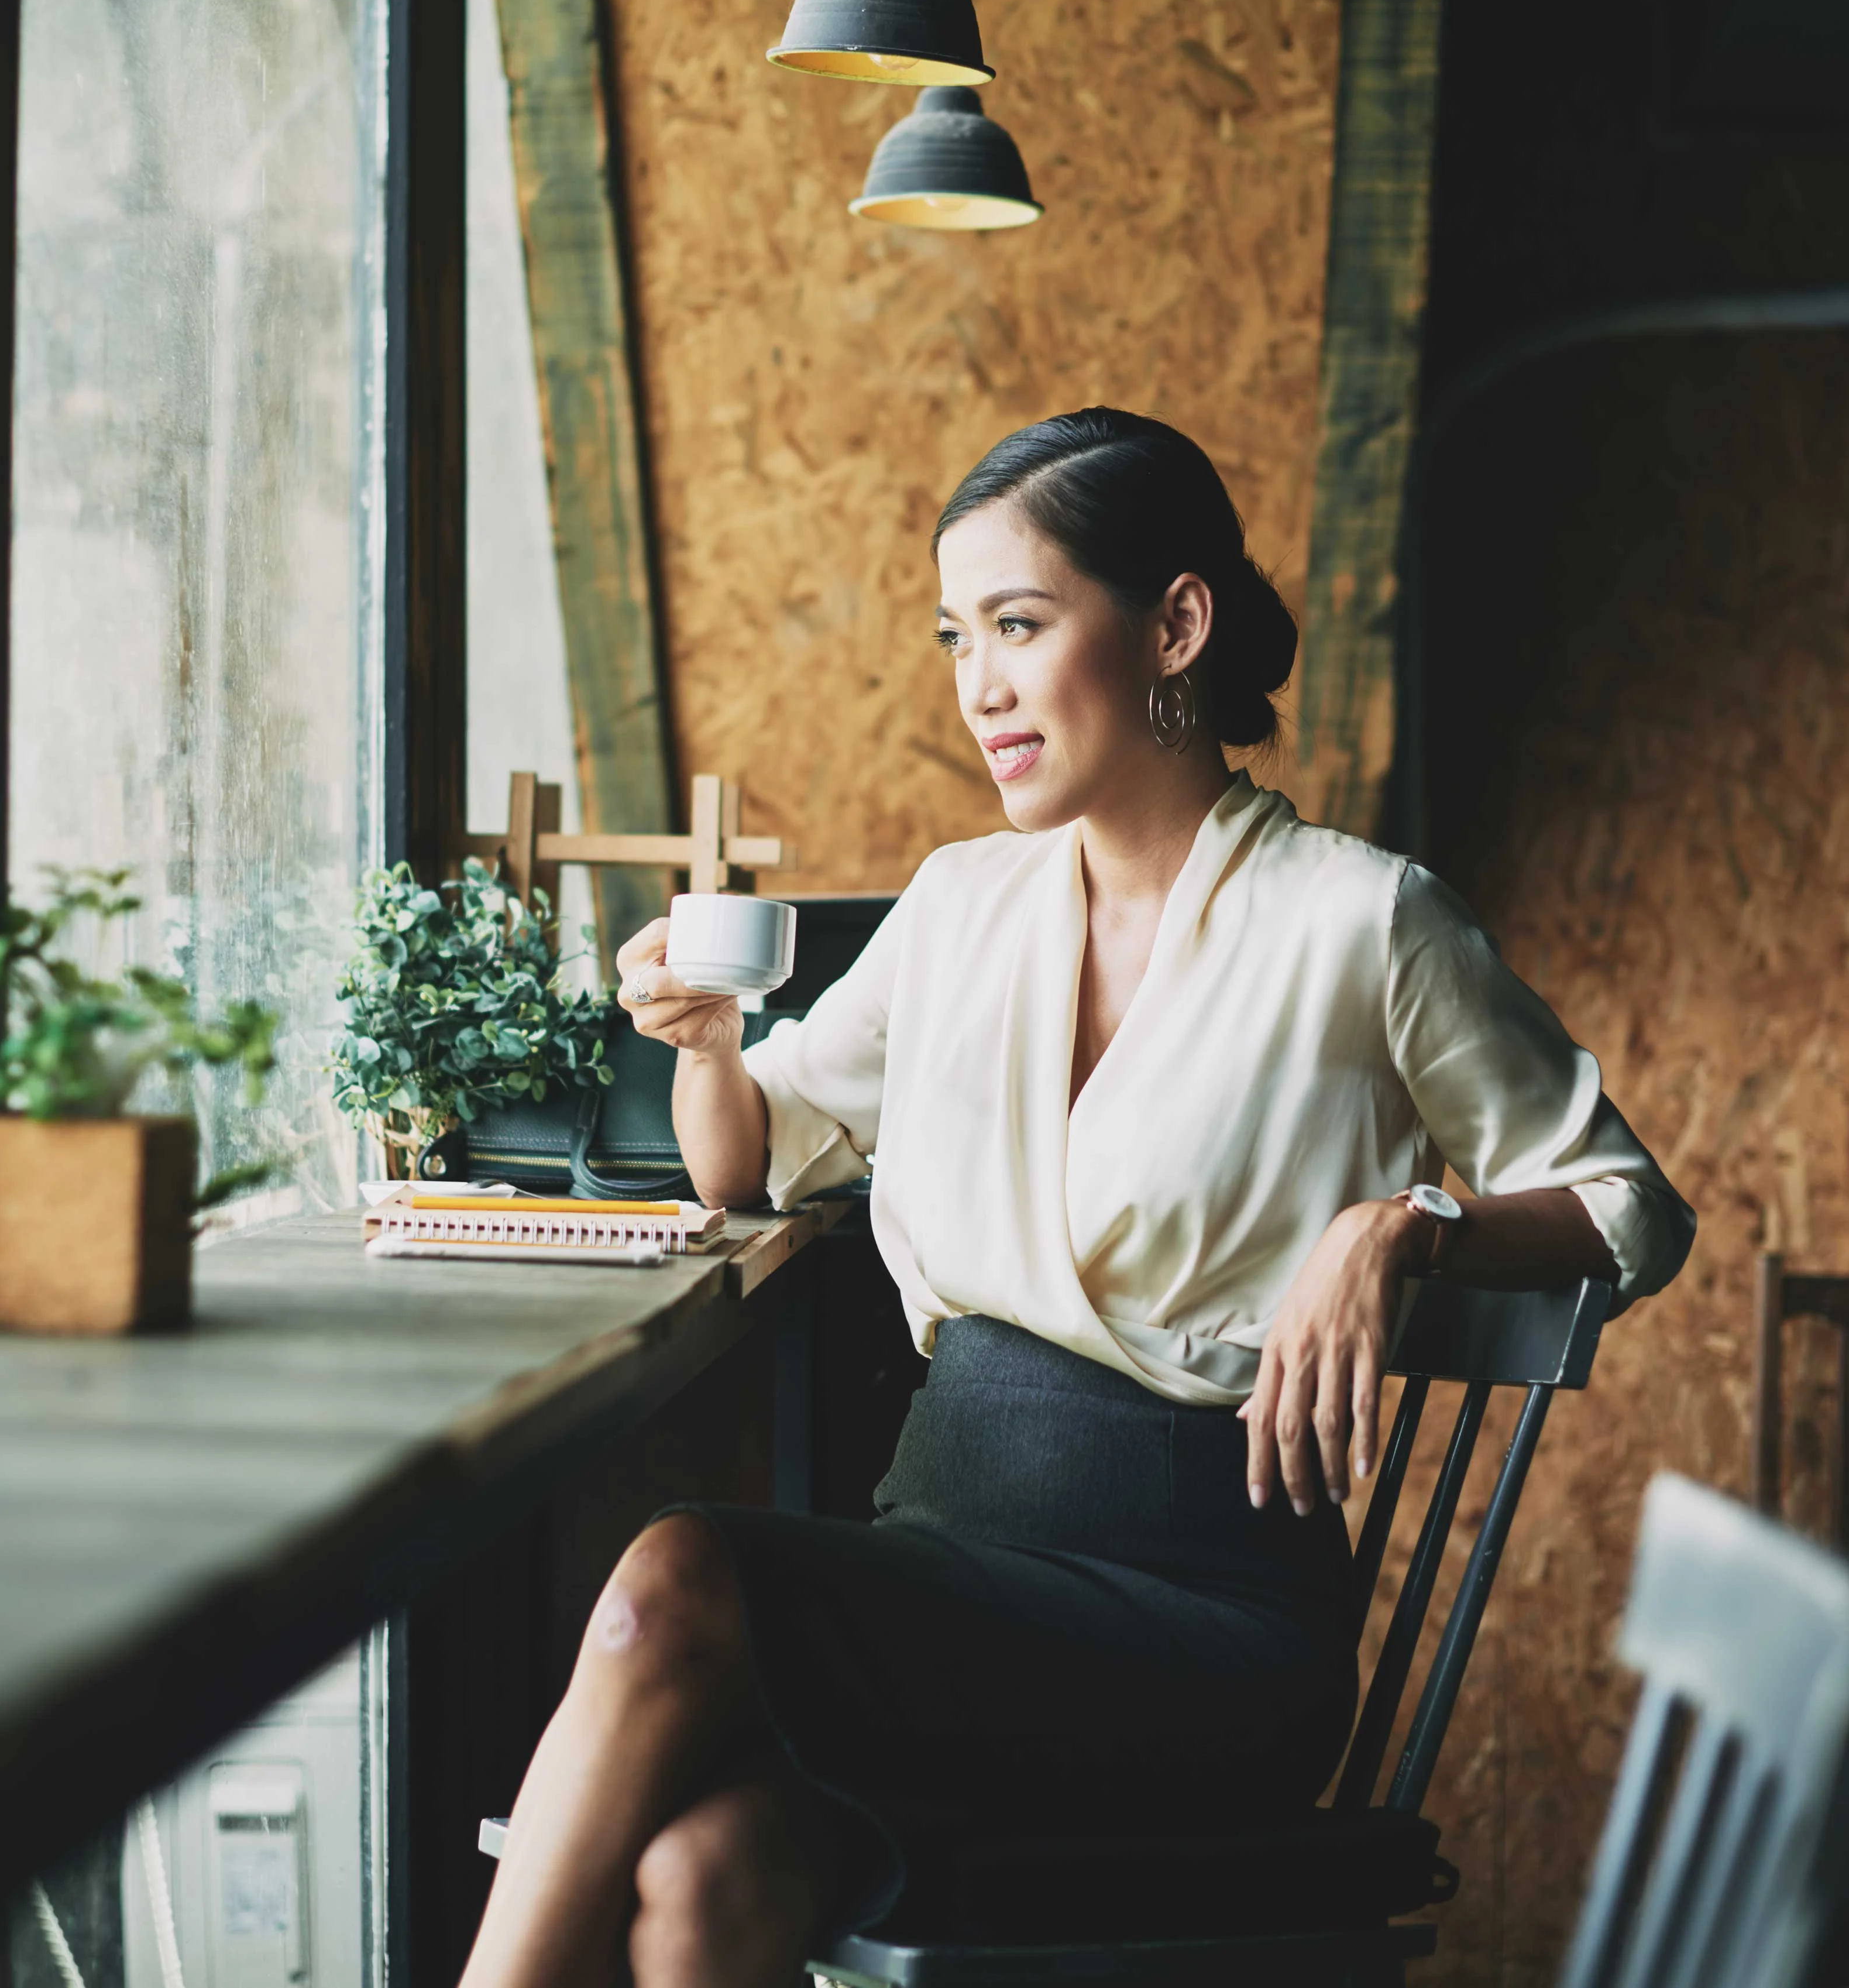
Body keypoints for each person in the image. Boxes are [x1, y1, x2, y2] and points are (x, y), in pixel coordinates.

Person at [459, 407, 1695, 1988]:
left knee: (675, 1582)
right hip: (951, 1565)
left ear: (1175, 624)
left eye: (1022, 626)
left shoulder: (1364, 924)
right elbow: (748, 1158)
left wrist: (1410, 1229)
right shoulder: (961, 903)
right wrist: (710, 1043)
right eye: (955, 635)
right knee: (708, 1877)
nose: (978, 685)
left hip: (1205, 1629)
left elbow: (1629, 1205)